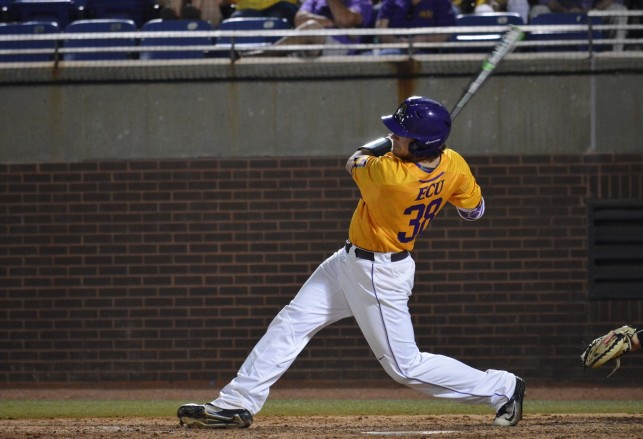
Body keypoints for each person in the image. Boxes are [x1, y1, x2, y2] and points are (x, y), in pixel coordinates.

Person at [176, 96, 526, 429]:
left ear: (420, 144)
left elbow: (354, 159)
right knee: (292, 322)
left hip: (379, 272)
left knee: (405, 367)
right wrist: (439, 177)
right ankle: (237, 402)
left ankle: (503, 387)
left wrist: (389, 147)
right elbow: (473, 212)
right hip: (348, 261)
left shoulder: (390, 177)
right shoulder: (454, 163)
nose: (392, 134)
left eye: (400, 133)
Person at [260, 0, 374, 56]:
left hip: (339, 48)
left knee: (311, 28)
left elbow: (345, 20)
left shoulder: (362, 2)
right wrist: (334, 23)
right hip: (307, 44)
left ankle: (263, 55)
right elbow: (299, 19)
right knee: (310, 28)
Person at [529, 0, 628, 50]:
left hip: (595, 14)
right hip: (561, 14)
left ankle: (615, 58)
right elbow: (546, 1)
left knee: (619, 10)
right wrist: (566, 11)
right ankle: (537, 56)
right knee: (538, 10)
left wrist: (590, 10)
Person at [372, 0, 456, 55]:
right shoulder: (391, 2)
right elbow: (381, 28)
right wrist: (397, 42)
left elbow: (445, 33)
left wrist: (420, 40)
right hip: (394, 51)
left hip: (428, 53)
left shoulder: (441, 2)